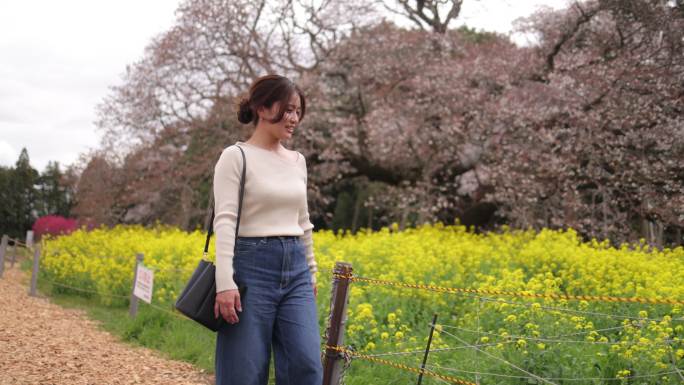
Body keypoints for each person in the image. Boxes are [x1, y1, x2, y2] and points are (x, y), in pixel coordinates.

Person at [212, 74, 323, 385]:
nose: (294, 119)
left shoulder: (298, 161)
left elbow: (304, 220)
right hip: (250, 268)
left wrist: (311, 270)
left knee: (306, 367)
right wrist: (224, 283)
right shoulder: (236, 157)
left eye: (298, 111)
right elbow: (225, 220)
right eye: (287, 110)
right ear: (262, 108)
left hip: (296, 270)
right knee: (244, 373)